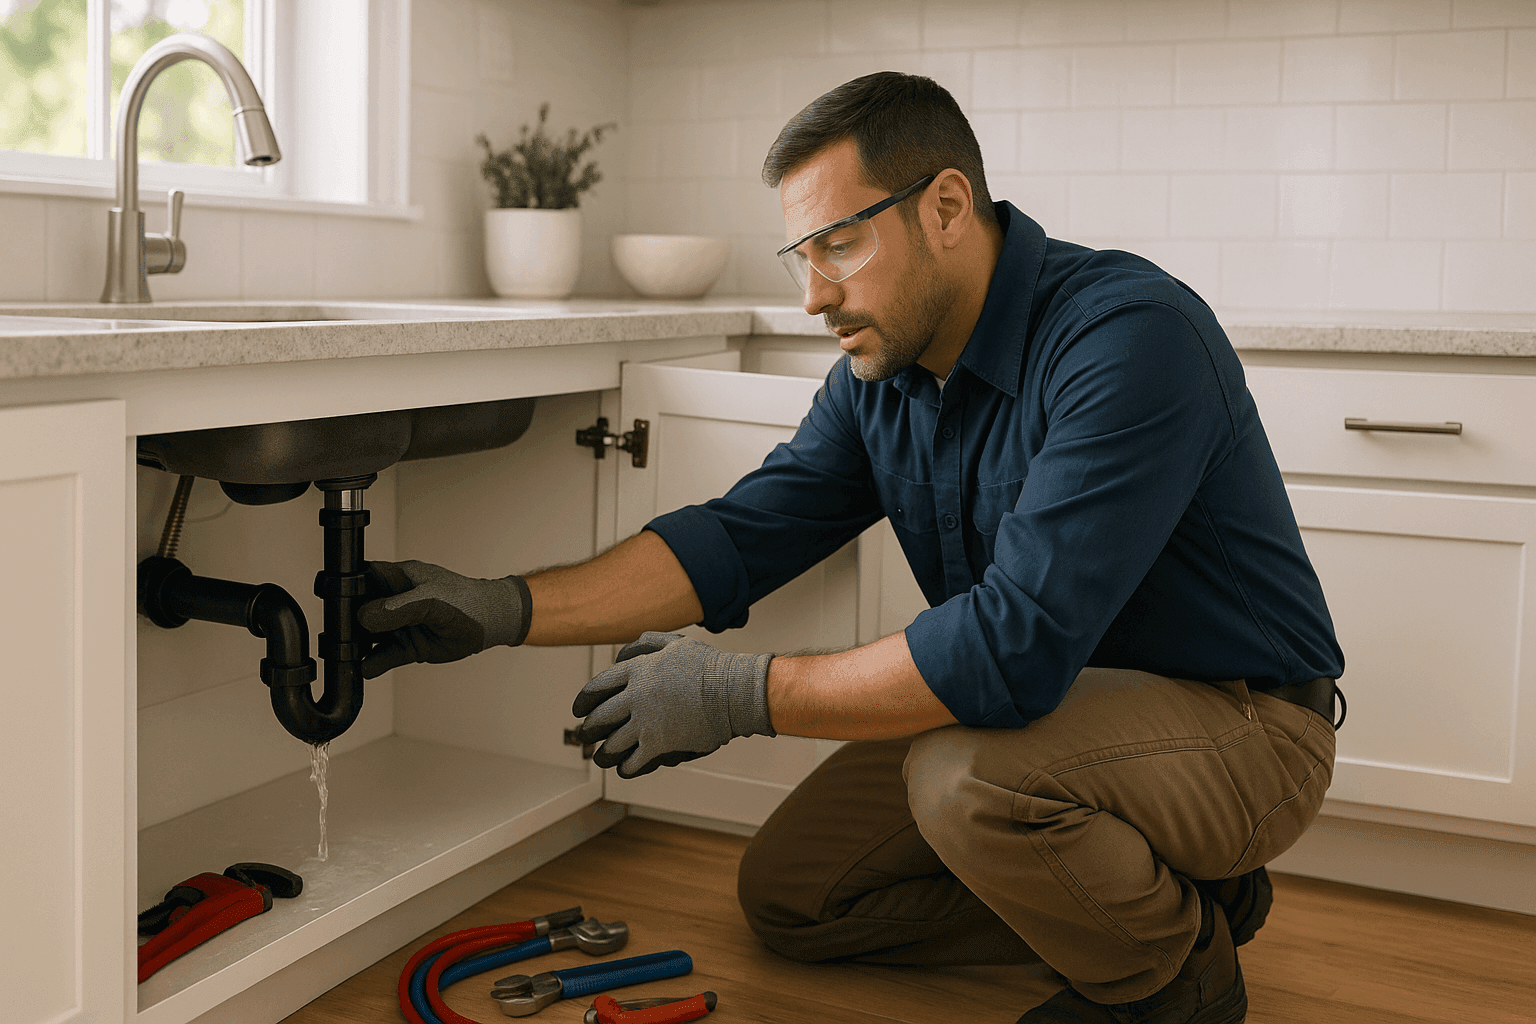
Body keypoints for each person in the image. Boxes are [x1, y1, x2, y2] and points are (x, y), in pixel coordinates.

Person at [355, 72, 1345, 1024]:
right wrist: (499, 607)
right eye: (801, 256)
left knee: (962, 779)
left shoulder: (1126, 335)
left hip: (1244, 726)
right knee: (796, 894)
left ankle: (1172, 977)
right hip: (1042, 722)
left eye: (839, 243)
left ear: (947, 206)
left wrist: (735, 695)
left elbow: (1014, 645)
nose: (813, 296)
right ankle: (1174, 890)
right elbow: (739, 538)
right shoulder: (886, 379)